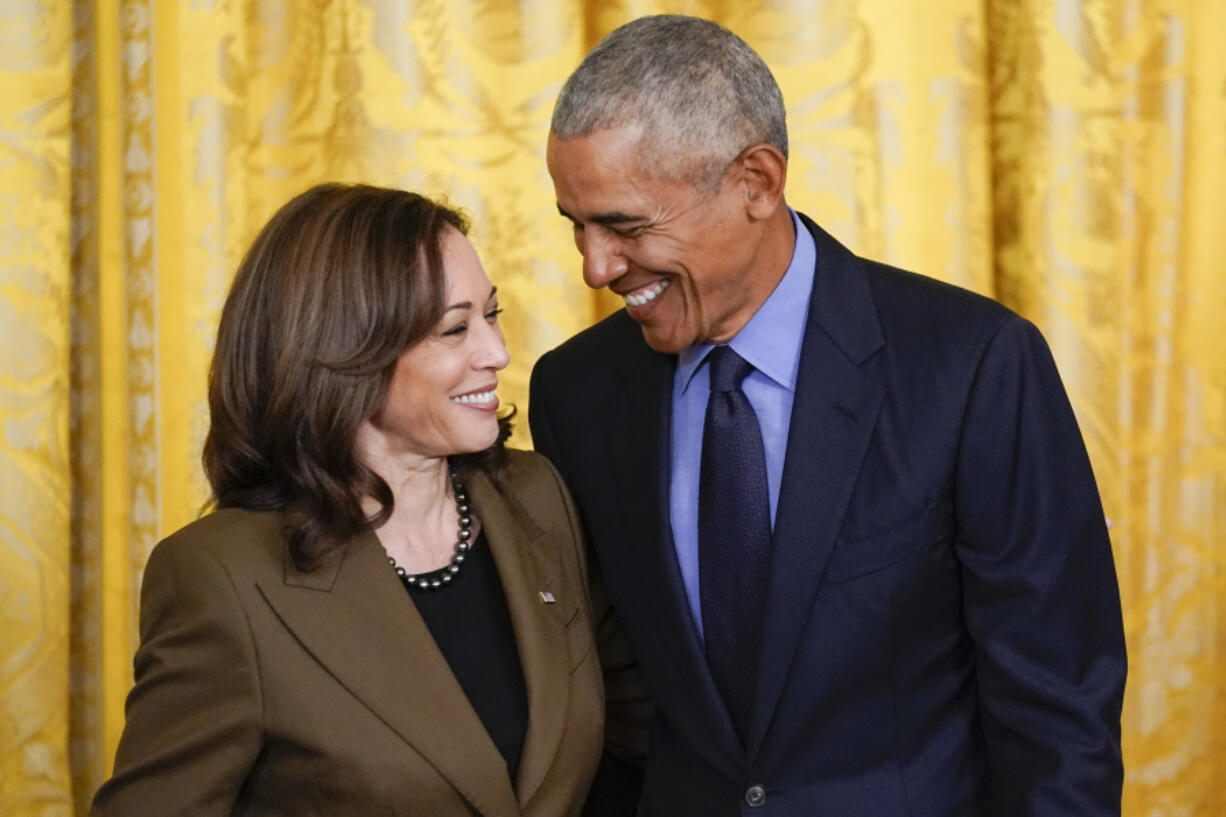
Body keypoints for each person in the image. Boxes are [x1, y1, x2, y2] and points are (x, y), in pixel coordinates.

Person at [529, 15, 1126, 817]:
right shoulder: (577, 390)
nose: (597, 266)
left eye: (627, 226)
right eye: (578, 226)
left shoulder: (973, 366)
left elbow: (1058, 713)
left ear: (757, 182)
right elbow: (603, 696)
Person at [92, 183, 611, 817]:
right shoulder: (222, 577)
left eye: (492, 315)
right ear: (346, 354)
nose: (497, 353)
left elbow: (630, 747)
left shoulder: (538, 496)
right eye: (455, 329)